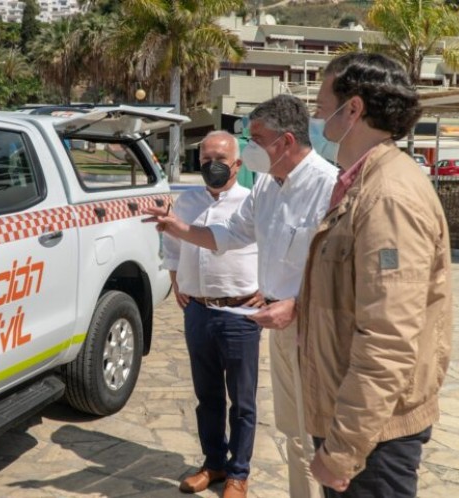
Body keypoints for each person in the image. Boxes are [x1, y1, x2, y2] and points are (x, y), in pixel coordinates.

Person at [145, 94, 338, 498]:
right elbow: (228, 236)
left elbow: (339, 270)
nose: (250, 149)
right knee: (292, 432)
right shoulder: (268, 186)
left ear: (284, 142)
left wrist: (297, 303)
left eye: (257, 139)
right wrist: (177, 229)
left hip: (316, 330)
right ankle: (229, 469)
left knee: (314, 429)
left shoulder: (329, 187)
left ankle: (242, 474)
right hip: (278, 327)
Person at [298, 52, 452, 497]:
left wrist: (343, 448)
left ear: (354, 109)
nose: (317, 116)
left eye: (323, 104)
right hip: (359, 424)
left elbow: (387, 338)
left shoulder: (388, 197)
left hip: (374, 438)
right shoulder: (364, 183)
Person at [163, 131, 261, 498]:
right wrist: (177, 282)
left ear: (237, 164)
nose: (212, 165)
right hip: (198, 312)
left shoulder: (251, 203)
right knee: (207, 396)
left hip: (240, 314)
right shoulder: (186, 203)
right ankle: (214, 462)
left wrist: (267, 292)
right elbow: (171, 245)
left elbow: (275, 250)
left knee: (242, 400)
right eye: (205, 159)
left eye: (220, 158)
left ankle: (239, 473)